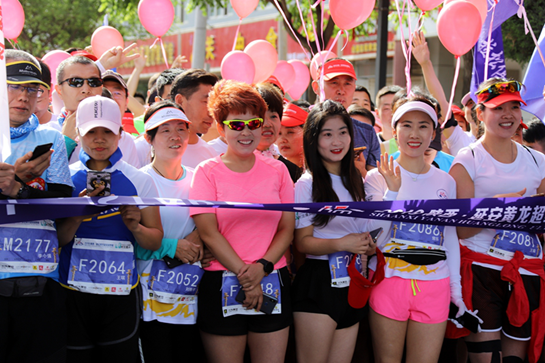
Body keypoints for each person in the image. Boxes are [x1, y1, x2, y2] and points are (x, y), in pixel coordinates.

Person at [189, 80, 294, 363]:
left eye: (253, 122)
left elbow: (287, 228)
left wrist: (262, 268)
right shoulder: (206, 172)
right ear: (221, 128)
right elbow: (208, 233)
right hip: (221, 278)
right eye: (236, 124)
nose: (246, 132)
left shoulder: (279, 170)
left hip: (272, 276)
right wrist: (246, 277)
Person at [55, 95, 163, 362]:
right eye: (92, 131)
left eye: (107, 131)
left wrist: (135, 227)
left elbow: (155, 241)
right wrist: (78, 214)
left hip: (120, 295)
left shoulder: (141, 180)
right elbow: (57, 240)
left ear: (120, 134)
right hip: (73, 293)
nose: (99, 139)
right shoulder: (63, 178)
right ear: (78, 134)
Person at [449, 78, 545, 363]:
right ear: (479, 114)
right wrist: (499, 207)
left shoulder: (538, 161)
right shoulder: (468, 159)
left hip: (526, 272)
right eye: (498, 108)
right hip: (481, 271)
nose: (508, 115)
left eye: (514, 107)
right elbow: (462, 230)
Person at [365, 94, 466, 363]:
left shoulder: (446, 181)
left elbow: (450, 239)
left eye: (423, 126)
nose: (414, 133)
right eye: (406, 125)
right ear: (395, 130)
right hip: (389, 282)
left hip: (435, 287)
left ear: (433, 132)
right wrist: (392, 193)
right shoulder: (377, 177)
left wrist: (455, 289)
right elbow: (374, 238)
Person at [291, 100, 384, 363]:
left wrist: (368, 244)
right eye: (327, 134)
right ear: (313, 139)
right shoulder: (307, 183)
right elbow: (303, 243)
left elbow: (368, 230)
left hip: (355, 279)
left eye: (343, 132)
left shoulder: (357, 179)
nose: (337, 141)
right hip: (318, 282)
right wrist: (342, 243)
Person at [0, 49, 74, 362]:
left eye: (32, 89)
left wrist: (19, 188)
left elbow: (62, 204)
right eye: (14, 86)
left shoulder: (50, 137)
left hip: (41, 283)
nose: (24, 96)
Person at [136, 101, 205, 363]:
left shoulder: (200, 178)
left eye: (181, 129)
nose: (175, 136)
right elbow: (128, 239)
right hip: (149, 299)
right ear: (149, 138)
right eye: (165, 130)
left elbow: (212, 227)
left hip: (190, 297)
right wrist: (171, 246)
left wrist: (201, 241)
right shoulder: (138, 180)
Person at [55, 56, 140, 168]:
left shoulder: (122, 137)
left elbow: (133, 182)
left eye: (93, 82)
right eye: (75, 82)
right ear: (59, 90)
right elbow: (41, 181)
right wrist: (65, 142)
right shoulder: (47, 133)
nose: (86, 89)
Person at [311, 58, 381, 171]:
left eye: (347, 83)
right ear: (316, 87)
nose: (341, 90)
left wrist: (361, 173)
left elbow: (375, 181)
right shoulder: (301, 127)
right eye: (334, 83)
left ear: (354, 87)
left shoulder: (366, 132)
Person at [255, 82, 303, 183]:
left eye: (273, 116)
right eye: (261, 117)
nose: (267, 124)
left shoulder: (293, 171)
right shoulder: (232, 165)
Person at [171, 69, 219, 168]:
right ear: (180, 101)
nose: (212, 112)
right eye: (206, 102)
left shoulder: (210, 154)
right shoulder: (147, 148)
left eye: (214, 104)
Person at [277, 101, 309, 172]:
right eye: (279, 133)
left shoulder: (317, 171)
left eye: (290, 132)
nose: (282, 140)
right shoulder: (275, 171)